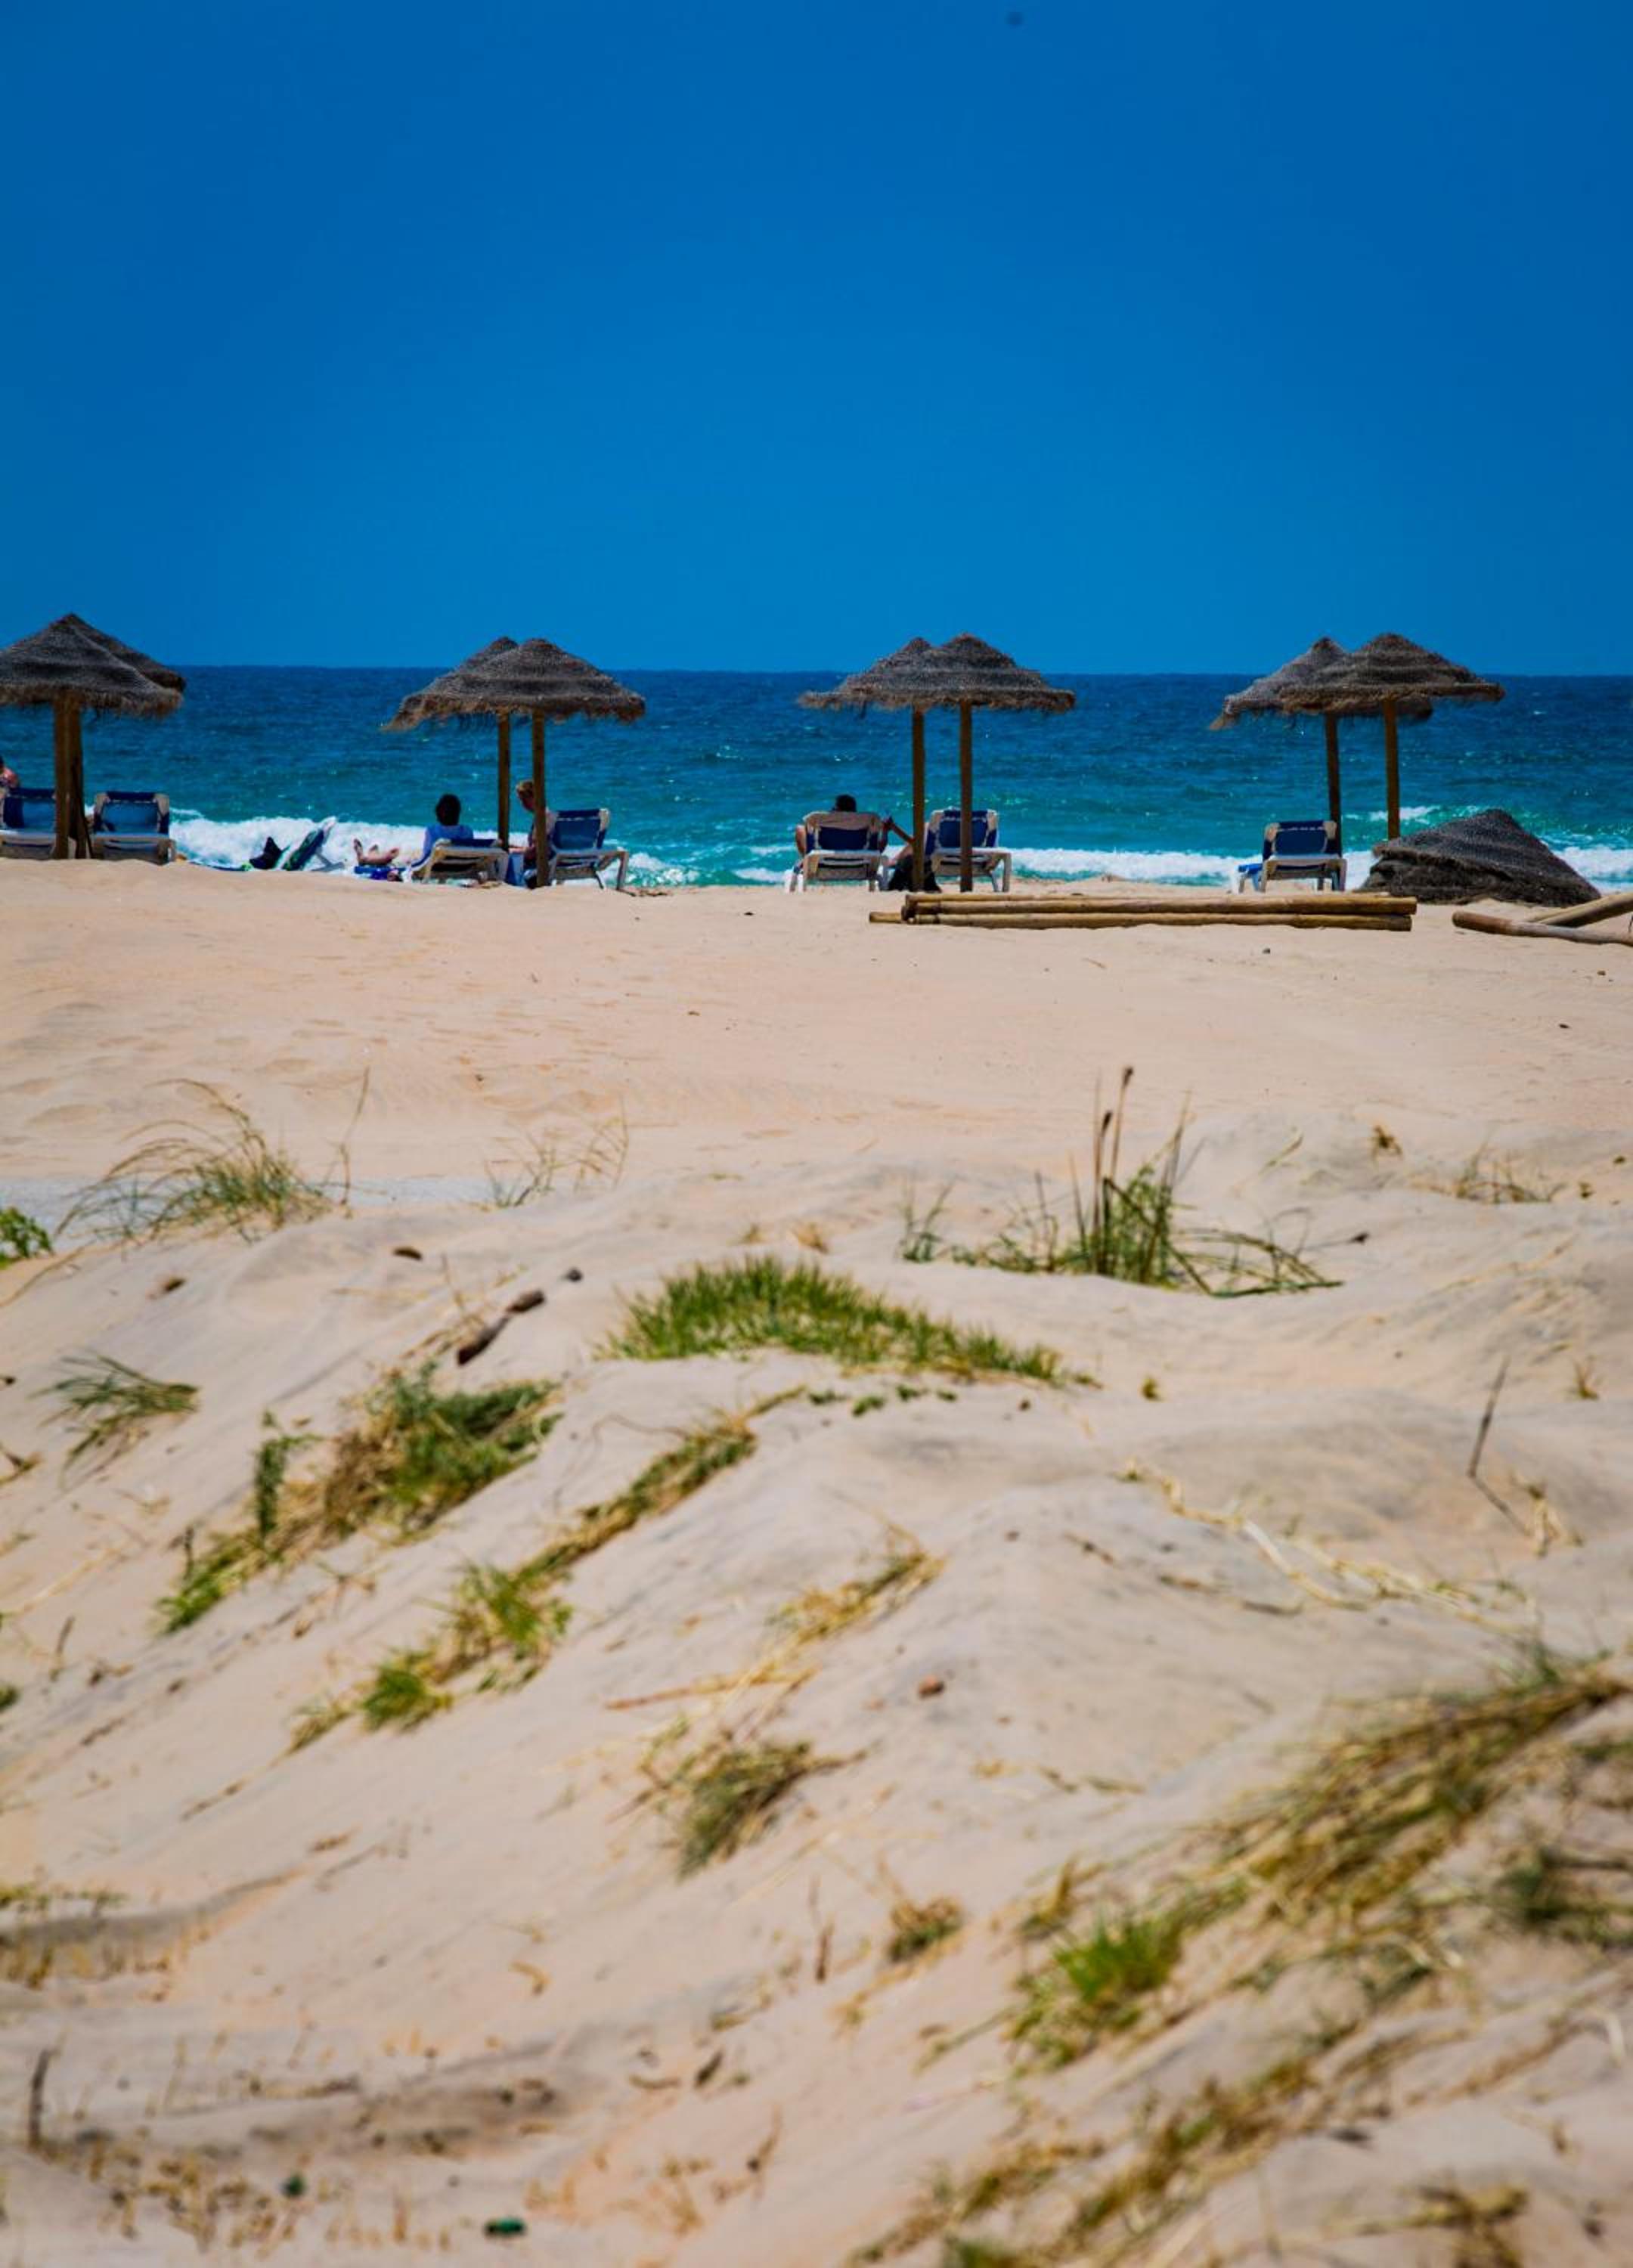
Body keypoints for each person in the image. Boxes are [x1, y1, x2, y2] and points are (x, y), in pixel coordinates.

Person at [354, 793, 475, 874]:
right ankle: (374, 855)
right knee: (404, 852)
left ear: (438, 813)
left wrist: (414, 862)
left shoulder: (433, 831)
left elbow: (426, 859)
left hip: (433, 867)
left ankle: (365, 859)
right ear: (458, 813)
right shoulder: (467, 831)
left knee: (395, 854)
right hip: (459, 867)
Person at [792, 792, 909, 860]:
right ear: (854, 810)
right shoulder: (869, 820)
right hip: (859, 864)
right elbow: (879, 849)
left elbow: (807, 827)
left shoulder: (819, 818)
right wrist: (884, 832)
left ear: (836, 809)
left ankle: (805, 861)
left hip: (824, 862)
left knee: (800, 829)